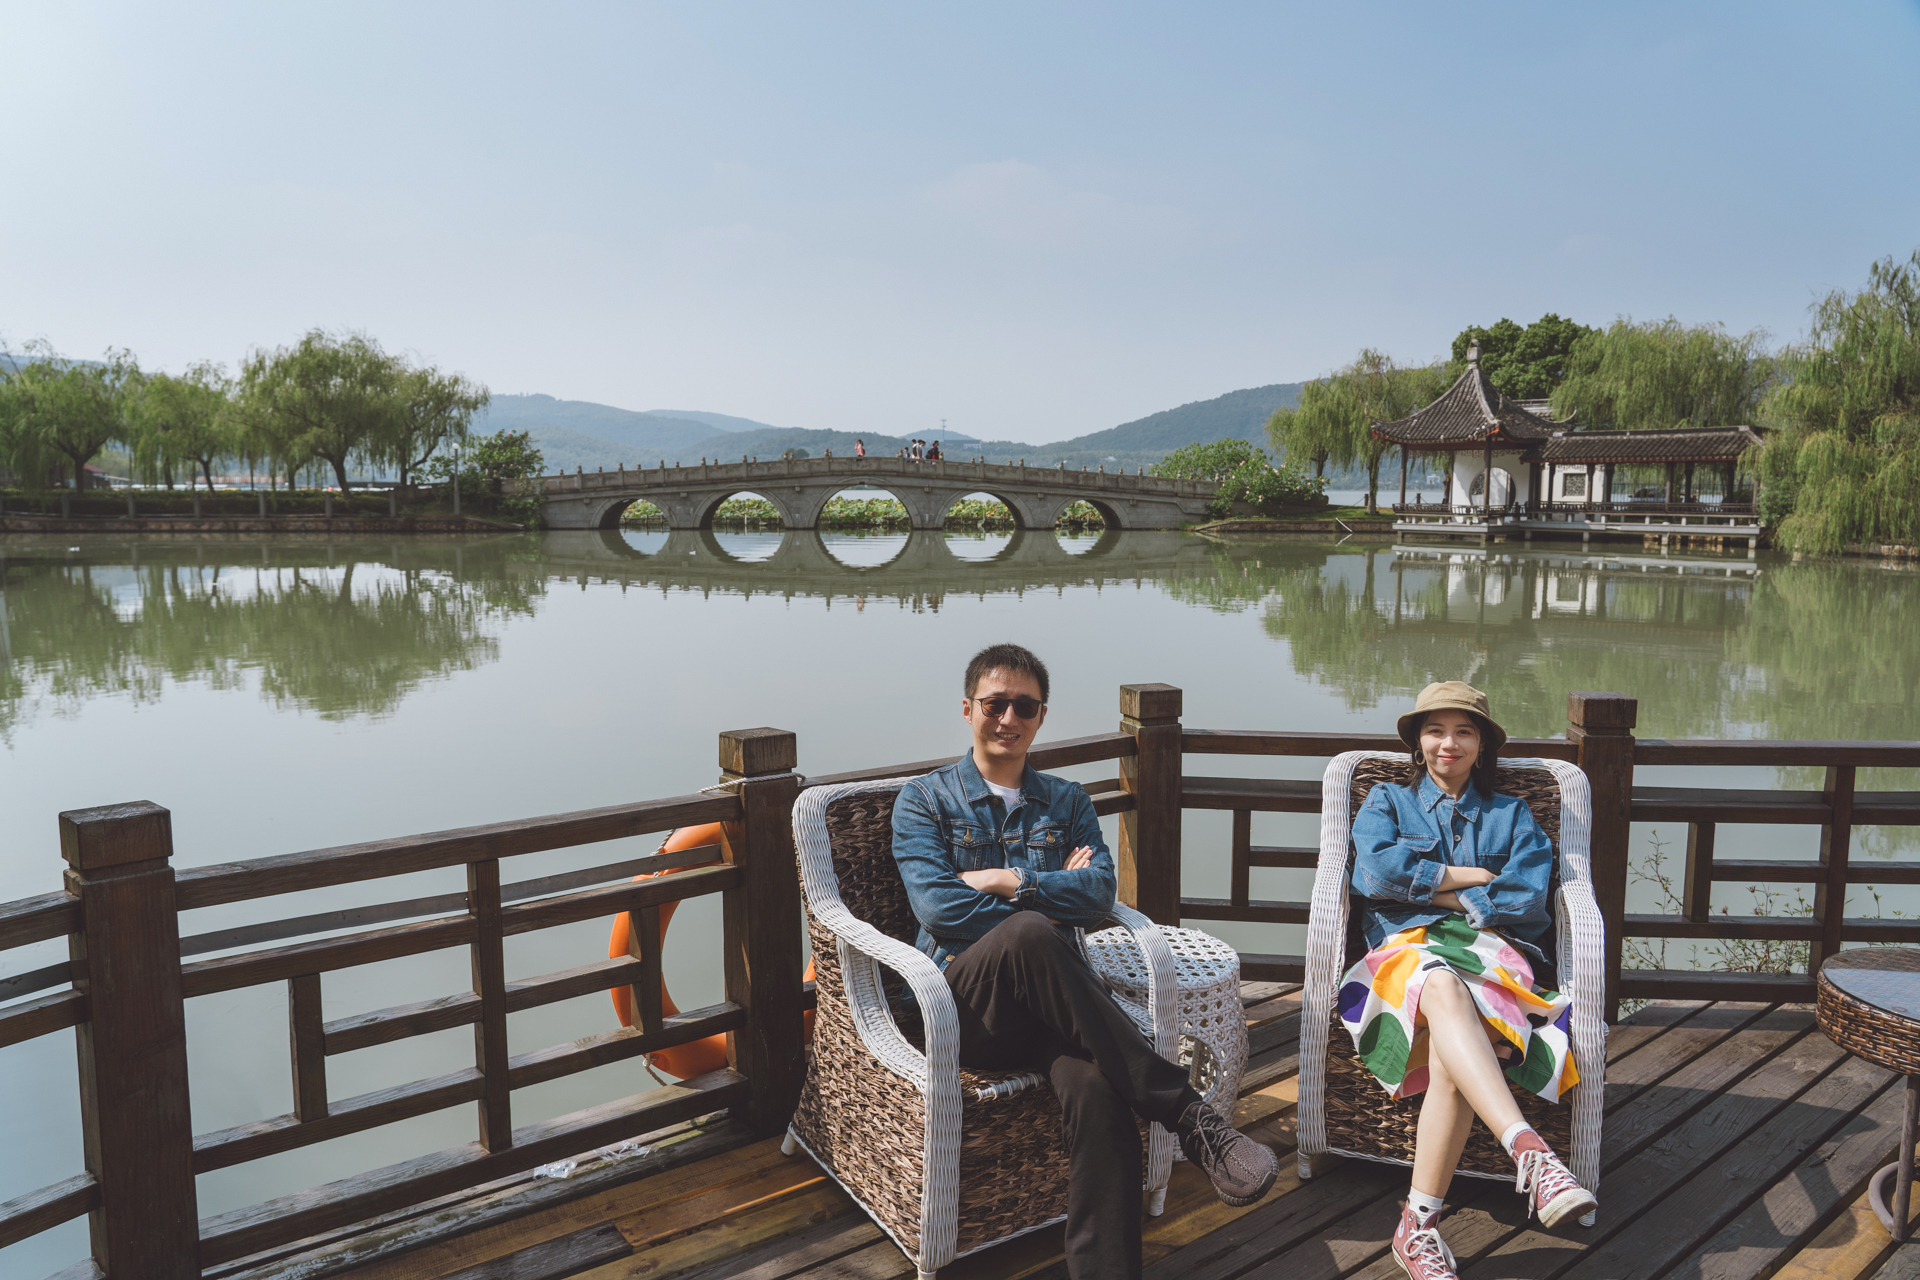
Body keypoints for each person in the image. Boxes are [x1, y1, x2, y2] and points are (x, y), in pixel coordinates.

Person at [892, 644, 1277, 1280]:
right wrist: (1046, 904)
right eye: (995, 704)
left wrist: (1011, 880)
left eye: (1025, 707)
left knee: (1099, 1088)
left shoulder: (1065, 801)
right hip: (964, 1008)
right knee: (1026, 934)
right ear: (968, 709)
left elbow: (1099, 893)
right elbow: (940, 909)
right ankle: (1190, 1117)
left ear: (1041, 716)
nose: (1008, 718)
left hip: (1055, 1007)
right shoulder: (926, 801)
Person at [1345, 682, 1596, 1280]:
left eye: (1464, 731)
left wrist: (1432, 889)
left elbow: (1527, 894)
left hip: (1492, 956)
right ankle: (1530, 1153)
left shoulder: (1511, 814)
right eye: (1435, 730)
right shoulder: (1386, 800)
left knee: (1452, 1043)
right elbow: (1374, 872)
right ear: (1418, 743)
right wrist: (1471, 879)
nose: (1448, 743)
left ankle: (1417, 1226)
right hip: (1403, 952)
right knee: (1438, 982)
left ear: (1482, 745)